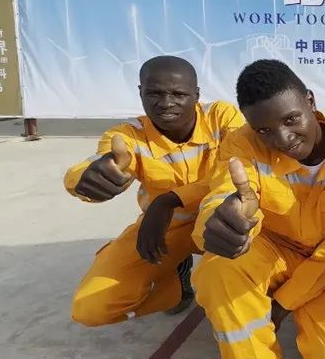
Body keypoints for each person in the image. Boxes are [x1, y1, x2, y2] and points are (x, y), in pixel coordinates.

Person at [190, 60, 325, 359]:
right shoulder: (241, 144)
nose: (282, 139)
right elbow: (226, 190)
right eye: (264, 131)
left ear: (310, 101)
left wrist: (284, 301)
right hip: (273, 250)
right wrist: (221, 218)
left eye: (291, 119)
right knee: (217, 270)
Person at [64, 55, 245, 327]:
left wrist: (168, 200)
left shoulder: (221, 117)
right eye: (154, 94)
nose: (166, 103)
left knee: (249, 281)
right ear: (140, 93)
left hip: (224, 221)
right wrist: (84, 179)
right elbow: (101, 161)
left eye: (178, 94)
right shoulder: (127, 135)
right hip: (165, 229)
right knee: (91, 308)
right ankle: (175, 285)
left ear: (196, 95)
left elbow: (239, 171)